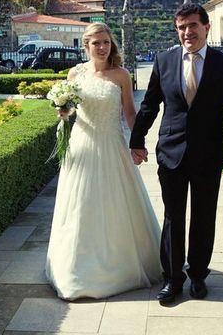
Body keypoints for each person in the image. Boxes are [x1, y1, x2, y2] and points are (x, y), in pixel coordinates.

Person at [130, 2, 223, 303]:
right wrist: (136, 140)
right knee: (173, 217)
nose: (187, 32)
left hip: (208, 154)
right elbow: (150, 104)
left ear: (206, 27)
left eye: (193, 25)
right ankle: (172, 279)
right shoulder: (164, 60)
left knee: (204, 217)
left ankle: (197, 276)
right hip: (171, 153)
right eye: (181, 27)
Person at [46, 22, 161, 300]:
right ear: (86, 46)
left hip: (112, 146)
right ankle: (75, 268)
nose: (101, 47)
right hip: (82, 149)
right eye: (96, 43)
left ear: (112, 45)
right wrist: (63, 110)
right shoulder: (75, 73)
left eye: (106, 42)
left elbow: (130, 114)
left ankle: (120, 265)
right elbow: (71, 108)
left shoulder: (122, 75)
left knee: (114, 202)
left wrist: (138, 143)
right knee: (81, 205)